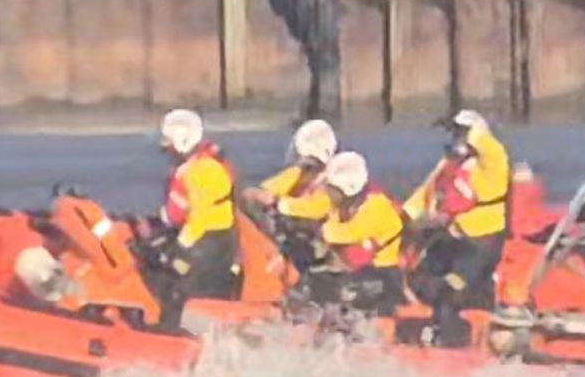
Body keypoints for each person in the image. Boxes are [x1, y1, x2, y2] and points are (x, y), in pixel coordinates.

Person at [402, 109, 511, 346]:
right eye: (454, 134)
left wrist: (470, 131)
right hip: (448, 241)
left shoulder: (492, 165)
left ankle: (454, 344)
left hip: (480, 245)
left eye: (460, 134)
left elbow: (489, 147)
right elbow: (419, 201)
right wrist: (406, 224)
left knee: (450, 292)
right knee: (417, 281)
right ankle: (417, 333)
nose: (455, 139)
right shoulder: (447, 169)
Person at [146, 108, 240, 328]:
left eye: (169, 143)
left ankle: (168, 333)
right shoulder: (202, 166)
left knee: (174, 284)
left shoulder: (199, 171)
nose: (166, 149)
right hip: (211, 240)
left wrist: (178, 248)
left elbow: (199, 217)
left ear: (182, 140)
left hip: (208, 244)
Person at [304, 151, 406, 317]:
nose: (327, 193)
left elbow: (346, 233)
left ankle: (367, 329)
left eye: (331, 189)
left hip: (383, 278)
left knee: (351, 288)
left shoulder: (377, 206)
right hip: (357, 273)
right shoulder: (342, 208)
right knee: (314, 282)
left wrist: (316, 228)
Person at [243, 119, 336, 271]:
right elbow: (272, 187)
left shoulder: (332, 181)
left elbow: (318, 208)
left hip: (319, 244)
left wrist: (280, 203)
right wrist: (254, 194)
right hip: (296, 239)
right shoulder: (300, 174)